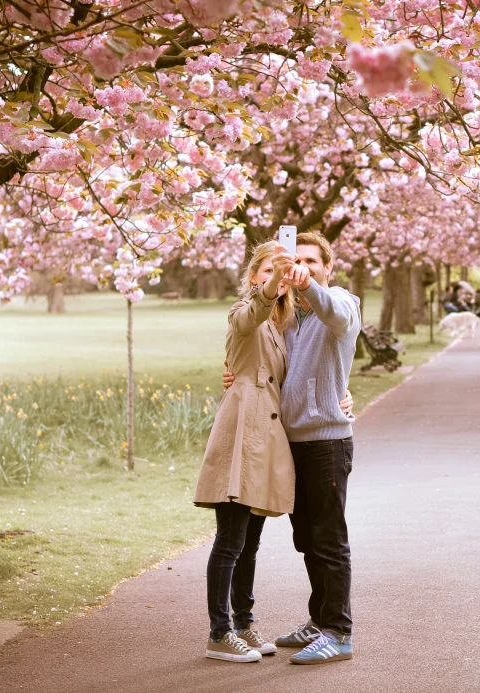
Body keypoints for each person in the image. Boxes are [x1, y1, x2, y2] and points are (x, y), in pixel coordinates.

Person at [194, 240, 353, 664]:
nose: (287, 274)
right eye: (276, 268)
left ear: (327, 267)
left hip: (293, 442)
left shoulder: (315, 311)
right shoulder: (263, 315)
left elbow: (329, 339)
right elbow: (248, 322)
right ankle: (225, 630)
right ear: (254, 277)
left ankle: (303, 628)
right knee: (244, 541)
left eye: (302, 265)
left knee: (285, 542)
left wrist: (342, 392)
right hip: (255, 436)